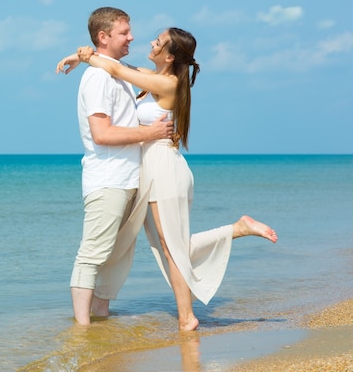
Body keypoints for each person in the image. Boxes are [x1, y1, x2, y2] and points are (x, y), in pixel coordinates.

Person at [57, 27, 278, 331]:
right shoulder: (154, 77)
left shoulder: (165, 82)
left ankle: (187, 317)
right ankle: (237, 229)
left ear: (170, 56)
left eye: (158, 42)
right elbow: (120, 67)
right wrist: (83, 55)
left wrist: (85, 56)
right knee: (169, 245)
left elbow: (114, 67)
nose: (150, 42)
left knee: (170, 246)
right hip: (153, 167)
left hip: (164, 168)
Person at [60, 7, 174, 326]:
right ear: (104, 36)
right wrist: (150, 133)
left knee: (115, 257)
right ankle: (81, 332)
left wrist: (77, 55)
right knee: (93, 254)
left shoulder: (116, 69)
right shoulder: (97, 77)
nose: (132, 37)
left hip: (129, 179)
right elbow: (102, 133)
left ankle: (101, 320)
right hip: (107, 179)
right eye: (124, 32)